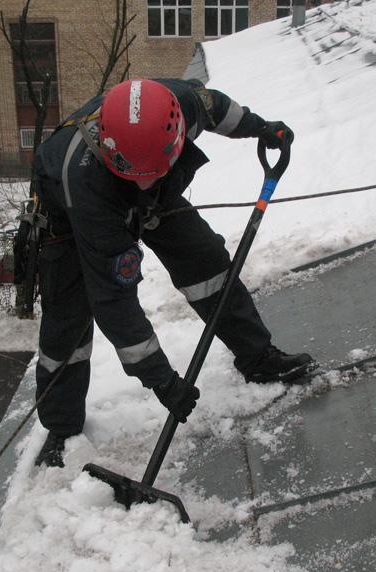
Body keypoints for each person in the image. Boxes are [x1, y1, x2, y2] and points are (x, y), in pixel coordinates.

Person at [32, 78, 314, 467]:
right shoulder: (84, 183)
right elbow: (114, 297)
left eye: (151, 171)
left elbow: (220, 109)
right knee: (68, 326)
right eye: (137, 174)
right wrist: (161, 379)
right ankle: (62, 429)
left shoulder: (182, 104)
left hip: (151, 196)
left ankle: (258, 358)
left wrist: (260, 128)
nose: (144, 180)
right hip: (68, 219)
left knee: (207, 264)